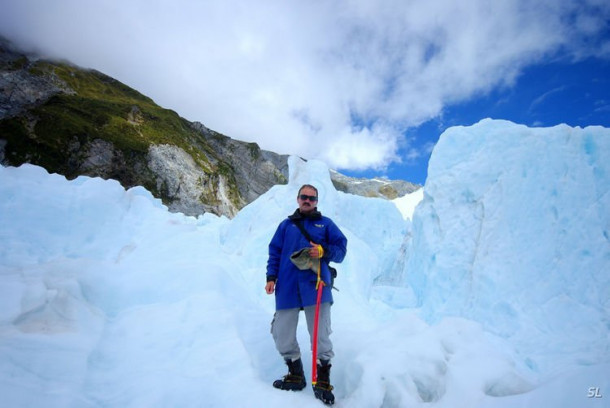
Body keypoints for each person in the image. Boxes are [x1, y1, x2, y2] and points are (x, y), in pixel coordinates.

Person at [266, 184, 347, 406]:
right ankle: (296, 373)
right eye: (304, 197)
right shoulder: (286, 226)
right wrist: (271, 277)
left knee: (321, 334)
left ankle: (322, 381)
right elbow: (274, 252)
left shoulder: (326, 224)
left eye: (312, 198)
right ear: (298, 198)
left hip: (317, 285)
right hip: (288, 286)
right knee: (281, 331)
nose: (307, 200)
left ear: (317, 201)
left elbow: (341, 250)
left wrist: (324, 250)